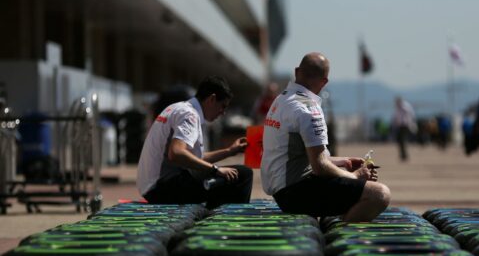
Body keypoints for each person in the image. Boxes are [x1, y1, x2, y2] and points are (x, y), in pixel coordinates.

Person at [261, 52, 391, 222]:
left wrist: (343, 162)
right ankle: (340, 235)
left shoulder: (281, 100)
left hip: (283, 191)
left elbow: (301, 157)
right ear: (324, 82)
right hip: (295, 193)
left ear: (296, 71)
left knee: (351, 182)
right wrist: (356, 176)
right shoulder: (309, 109)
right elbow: (320, 167)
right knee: (379, 194)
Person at [137, 76, 252, 208]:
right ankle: (231, 222)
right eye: (222, 106)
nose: (223, 113)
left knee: (224, 177)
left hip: (153, 187)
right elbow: (176, 153)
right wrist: (216, 170)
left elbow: (193, 158)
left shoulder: (177, 107)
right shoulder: (190, 115)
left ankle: (212, 213)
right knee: (243, 175)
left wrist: (230, 151)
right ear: (212, 99)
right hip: (162, 188)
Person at [391, 97, 416, 161]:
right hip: (400, 126)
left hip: (405, 125)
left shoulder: (405, 107)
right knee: (400, 140)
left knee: (402, 140)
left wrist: (411, 124)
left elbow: (410, 115)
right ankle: (403, 154)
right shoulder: (397, 108)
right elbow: (396, 117)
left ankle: (404, 155)